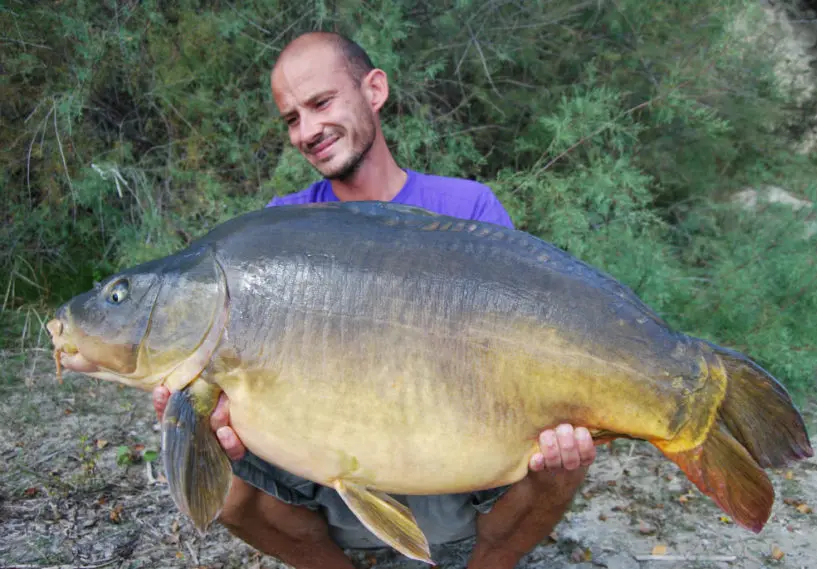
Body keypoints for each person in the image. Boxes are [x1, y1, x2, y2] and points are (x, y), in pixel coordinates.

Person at [152, 31, 596, 569]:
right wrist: (209, 411)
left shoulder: (467, 208)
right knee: (216, 469)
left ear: (375, 90)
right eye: (292, 119)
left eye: (320, 103)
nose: (307, 131)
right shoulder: (282, 228)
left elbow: (518, 340)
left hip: (458, 459)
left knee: (565, 459)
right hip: (331, 462)